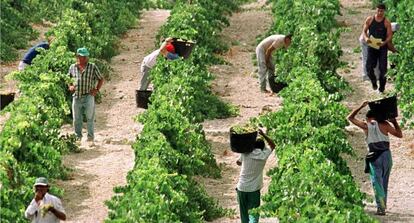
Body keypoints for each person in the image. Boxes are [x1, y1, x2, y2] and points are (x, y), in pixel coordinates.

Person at [347, 101, 402, 215]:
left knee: (377, 182)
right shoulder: (385, 125)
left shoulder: (366, 126)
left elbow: (350, 118)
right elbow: (399, 134)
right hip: (387, 155)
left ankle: (381, 208)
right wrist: (394, 121)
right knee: (384, 181)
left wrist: (360, 106)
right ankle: (383, 205)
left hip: (375, 156)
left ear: (368, 118)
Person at [236, 129, 276, 223]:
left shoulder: (246, 153)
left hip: (241, 188)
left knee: (244, 215)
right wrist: (263, 134)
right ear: (262, 148)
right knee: (254, 214)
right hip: (254, 189)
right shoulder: (263, 155)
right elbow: (272, 145)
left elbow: (238, 162)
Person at [68, 47, 104, 144]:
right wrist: (70, 86)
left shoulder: (92, 67)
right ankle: (77, 138)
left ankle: (90, 138)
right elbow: (68, 78)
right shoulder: (72, 67)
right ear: (78, 57)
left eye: (86, 57)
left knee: (90, 117)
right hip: (76, 96)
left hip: (88, 96)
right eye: (82, 57)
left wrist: (96, 90)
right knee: (76, 119)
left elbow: (100, 78)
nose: (84, 59)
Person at [362, 3, 393, 93]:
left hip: (382, 47)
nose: (379, 12)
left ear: (384, 11)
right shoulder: (370, 19)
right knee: (369, 67)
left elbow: (390, 35)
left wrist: (385, 42)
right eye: (378, 10)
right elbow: (364, 31)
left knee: (383, 69)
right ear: (376, 10)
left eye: (381, 11)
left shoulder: (386, 22)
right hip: (372, 45)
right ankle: (373, 81)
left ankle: (382, 87)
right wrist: (366, 38)